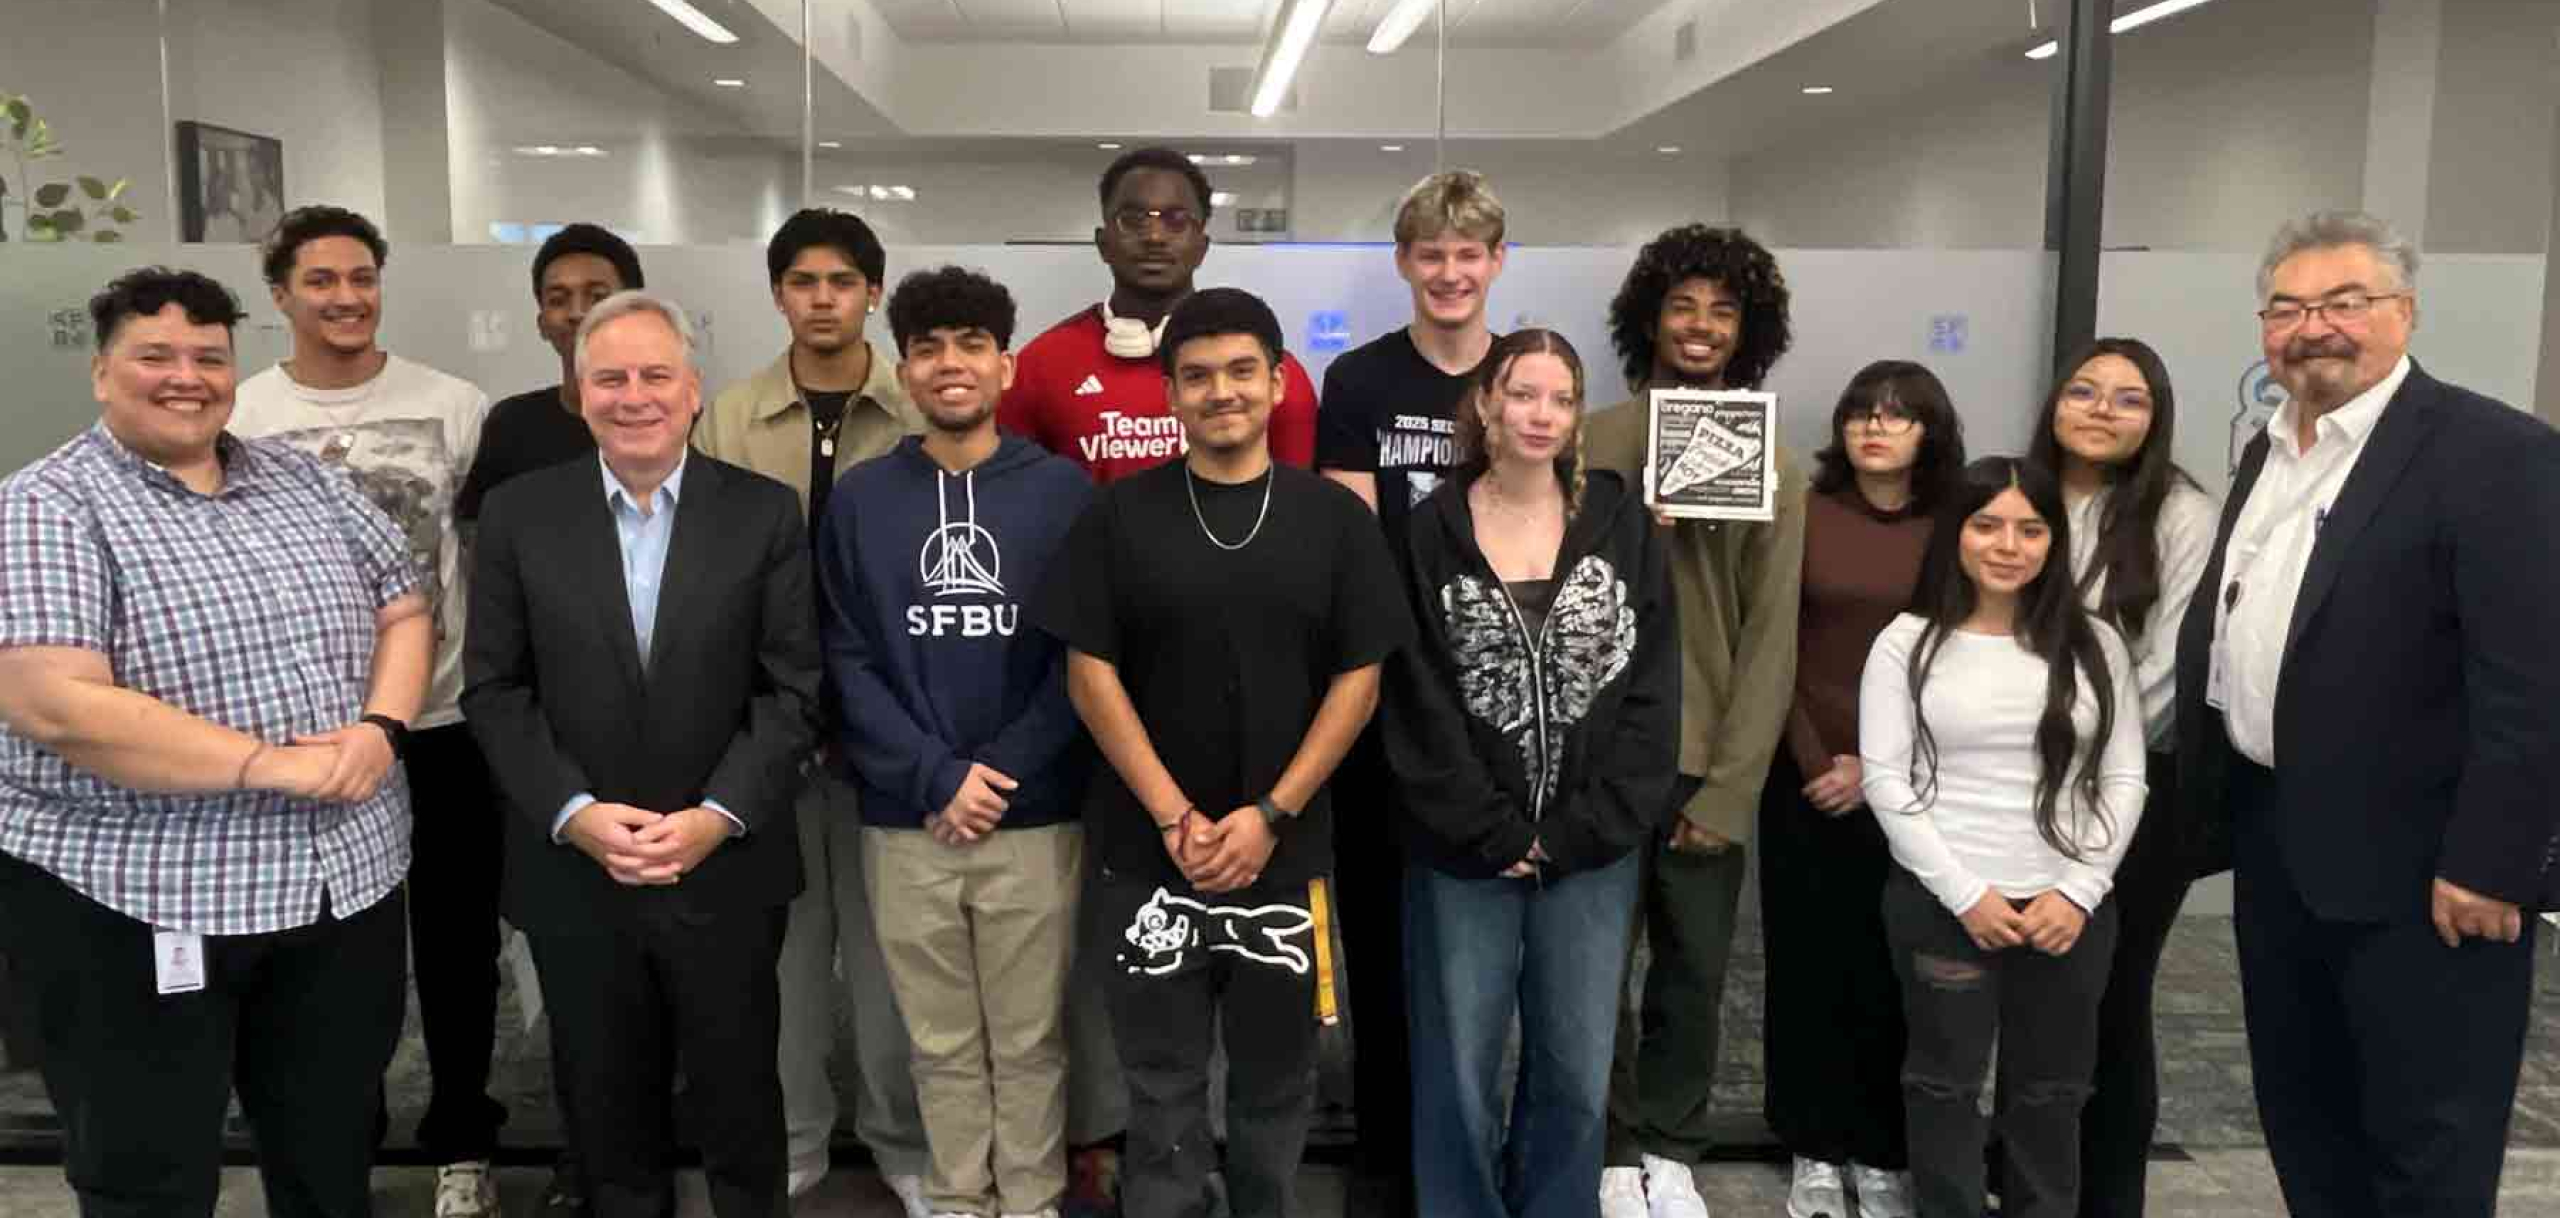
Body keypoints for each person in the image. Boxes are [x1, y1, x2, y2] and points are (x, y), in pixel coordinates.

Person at [0, 267, 432, 1217]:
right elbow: (52, 704)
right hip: (140, 901)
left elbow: (406, 605)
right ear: (103, 370)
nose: (184, 376)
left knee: (329, 1154)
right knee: (148, 1172)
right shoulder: (48, 505)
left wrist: (381, 729)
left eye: (208, 356)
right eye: (155, 355)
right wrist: (271, 766)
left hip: (338, 890)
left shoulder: (304, 479)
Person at [2174, 210, 2560, 1218]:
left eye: (2345, 303)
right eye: (2289, 307)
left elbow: (2530, 679)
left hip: (2426, 875)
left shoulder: (2494, 452)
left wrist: (2491, 861)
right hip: (2279, 850)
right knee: (2309, 1123)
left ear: (2405, 313)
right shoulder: (2269, 456)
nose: (2314, 328)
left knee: (2425, 1141)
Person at [1030, 288, 1411, 1218]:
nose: (1221, 392)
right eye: (1196, 377)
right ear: (1169, 394)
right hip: (1147, 851)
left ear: (1279, 382)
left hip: (1289, 855)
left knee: (1278, 1082)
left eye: (1243, 371)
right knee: (1158, 1086)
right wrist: (1176, 815)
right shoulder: (1119, 519)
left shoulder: (1335, 522)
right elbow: (1090, 675)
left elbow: (1358, 683)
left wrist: (1270, 814)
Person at [465, 289, 820, 1218]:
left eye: (655, 375)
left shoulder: (764, 513)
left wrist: (716, 817)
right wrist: (576, 817)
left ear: (693, 390)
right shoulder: (516, 515)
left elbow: (793, 691)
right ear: (579, 394)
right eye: (610, 378)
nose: (634, 396)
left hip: (726, 864)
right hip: (579, 870)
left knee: (741, 1097)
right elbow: (494, 690)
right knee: (603, 1104)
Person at [229, 205, 503, 1218]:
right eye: (321, 281)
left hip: (443, 725)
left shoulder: (454, 404)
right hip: (305, 736)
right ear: (281, 297)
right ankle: (337, 1140)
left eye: (361, 278)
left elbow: (486, 555)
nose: (345, 297)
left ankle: (464, 1141)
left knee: (457, 943)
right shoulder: (243, 413)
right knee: (329, 958)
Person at [821, 265, 1095, 1218]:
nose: (950, 364)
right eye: (930, 347)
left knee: (1028, 1042)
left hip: (1032, 817)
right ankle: (957, 1200)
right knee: (935, 1042)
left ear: (1005, 365)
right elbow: (845, 656)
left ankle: (1030, 1200)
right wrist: (937, 775)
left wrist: (1003, 771)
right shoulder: (860, 500)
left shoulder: (1064, 492)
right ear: (903, 370)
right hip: (908, 820)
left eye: (971, 344)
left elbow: (1082, 660)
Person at [1385, 329, 1677, 1218]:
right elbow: (1414, 698)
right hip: (1460, 849)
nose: (1541, 414)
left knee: (1579, 1069)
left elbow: (1653, 688)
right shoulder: (1427, 529)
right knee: (1458, 1070)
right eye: (1523, 394)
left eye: (1560, 397)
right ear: (1485, 404)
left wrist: (1585, 828)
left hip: (1592, 851)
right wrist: (1492, 830)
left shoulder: (1623, 524)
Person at [696, 207, 932, 1210]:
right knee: (785, 956)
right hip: (766, 727)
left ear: (873, 292)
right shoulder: (731, 416)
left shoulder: (920, 409)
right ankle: (792, 1131)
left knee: (892, 961)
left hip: (896, 725)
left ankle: (902, 1141)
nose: (823, 298)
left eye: (842, 280)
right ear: (779, 294)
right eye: (802, 281)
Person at [1581, 224, 1806, 1218]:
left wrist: (1733, 785)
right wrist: (1630, 525)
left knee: (1692, 973)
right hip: (1597, 757)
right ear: (1648, 320)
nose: (1701, 326)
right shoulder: (1590, 441)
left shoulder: (1780, 468)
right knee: (1588, 973)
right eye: (1682, 306)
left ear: (1748, 329)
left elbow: (1770, 637)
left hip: (1705, 756)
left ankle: (1670, 1144)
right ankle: (1606, 1142)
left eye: (1723, 309)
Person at [1860, 456, 2147, 1218]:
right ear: (1956, 534)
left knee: (2052, 1093)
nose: (2007, 545)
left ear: (2054, 541)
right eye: (1987, 525)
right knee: (1943, 1087)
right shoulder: (1906, 642)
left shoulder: (2095, 645)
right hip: (1945, 902)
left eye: (2030, 528)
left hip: (2069, 908)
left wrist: (2080, 891)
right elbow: (1886, 782)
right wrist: (1966, 893)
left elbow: (2124, 781)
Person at [1313, 169, 1506, 1216]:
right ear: (1404, 265)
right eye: (1429, 254)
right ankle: (1386, 1154)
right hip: (1385, 703)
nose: (1448, 273)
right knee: (1382, 941)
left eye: (1466, 254)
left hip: (1495, 713)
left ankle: (1466, 1147)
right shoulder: (1359, 384)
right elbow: (1354, 549)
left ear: (1494, 266)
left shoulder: (1523, 377)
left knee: (1476, 946)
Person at [451, 220, 647, 1214]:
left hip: (666, 743)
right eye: (560, 294)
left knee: (677, 975)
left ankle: (651, 1147)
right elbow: (488, 580)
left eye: (598, 290)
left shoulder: (669, 415)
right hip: (545, 741)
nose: (577, 310)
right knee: (571, 978)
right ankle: (588, 1154)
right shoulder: (517, 429)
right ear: (538, 314)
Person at [1762, 362, 1967, 1218]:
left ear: (1931, 431)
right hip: (1806, 777)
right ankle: (1813, 1144)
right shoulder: (1806, 511)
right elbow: (1774, 642)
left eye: (1897, 416)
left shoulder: (1957, 524)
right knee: (1808, 966)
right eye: (1860, 414)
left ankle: (1882, 1150)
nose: (1874, 429)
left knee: (1895, 973)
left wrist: (1880, 769)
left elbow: (1958, 652)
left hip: (1916, 781)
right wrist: (1820, 763)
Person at [2022, 339, 2217, 1218]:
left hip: (2132, 794)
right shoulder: (2014, 499)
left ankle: (2108, 1197)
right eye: (2085, 391)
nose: (2102, 409)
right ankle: (2028, 1183)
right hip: (2013, 790)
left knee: (2109, 995)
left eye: (2128, 399)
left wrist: (2085, 753)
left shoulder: (2180, 513)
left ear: (2155, 418)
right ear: (2055, 404)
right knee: (2029, 998)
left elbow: (2174, 665)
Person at [999, 146, 1320, 484]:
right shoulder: (1040, 367)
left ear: (1202, 246)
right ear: (1103, 242)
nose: (1154, 237)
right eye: (1132, 220)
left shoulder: (1264, 374)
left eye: (1176, 220)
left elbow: (1295, 507)